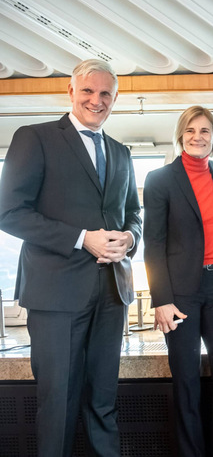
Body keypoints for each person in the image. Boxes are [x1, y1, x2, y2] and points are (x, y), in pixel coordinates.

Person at [0, 59, 142, 456]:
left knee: (103, 403)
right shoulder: (35, 137)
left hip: (112, 295)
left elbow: (133, 213)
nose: (96, 101)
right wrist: (83, 239)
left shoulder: (120, 151)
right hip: (56, 297)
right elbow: (10, 213)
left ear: (114, 99)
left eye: (105, 95)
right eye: (88, 91)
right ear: (70, 91)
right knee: (58, 404)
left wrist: (130, 238)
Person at [143, 105, 213, 457]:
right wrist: (161, 299)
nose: (198, 137)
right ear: (180, 136)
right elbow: (152, 243)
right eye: (191, 131)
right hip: (180, 293)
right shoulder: (160, 179)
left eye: (205, 130)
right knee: (186, 381)